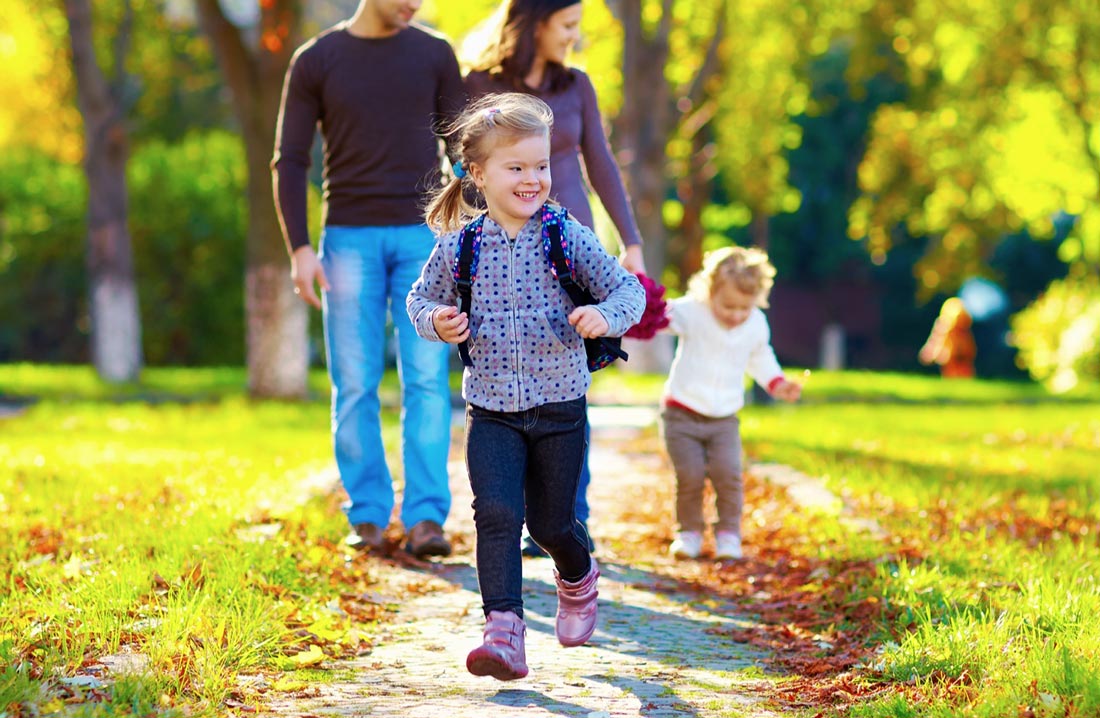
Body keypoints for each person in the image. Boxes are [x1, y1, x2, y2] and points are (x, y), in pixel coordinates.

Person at [407, 93, 644, 680]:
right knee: (495, 513)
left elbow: (628, 291)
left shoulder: (566, 237)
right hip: (491, 410)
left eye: (540, 166)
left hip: (560, 406)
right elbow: (419, 299)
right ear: (478, 175)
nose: (534, 178)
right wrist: (437, 322)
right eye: (517, 168)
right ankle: (504, 631)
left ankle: (577, 574)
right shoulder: (458, 247)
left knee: (550, 524)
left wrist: (605, 317)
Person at [271, 0, 465, 559]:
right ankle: (369, 515)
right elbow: (289, 160)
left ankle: (427, 517)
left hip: (423, 239)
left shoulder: (434, 54)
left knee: (426, 380)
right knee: (354, 382)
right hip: (347, 239)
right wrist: (300, 249)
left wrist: (462, 232)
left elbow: (461, 153)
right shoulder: (318, 60)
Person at [463, 0, 647, 557]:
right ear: (535, 22)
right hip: (504, 252)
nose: (575, 36)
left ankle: (568, 520)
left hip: (571, 254)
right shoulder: (480, 84)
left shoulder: (577, 85)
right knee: (511, 380)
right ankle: (523, 515)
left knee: (566, 381)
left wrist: (631, 242)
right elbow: (466, 166)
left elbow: (602, 163)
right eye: (567, 25)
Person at [660, 247, 802, 561]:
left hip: (724, 418)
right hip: (681, 413)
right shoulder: (692, 311)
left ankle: (728, 534)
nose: (736, 315)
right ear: (710, 292)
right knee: (691, 475)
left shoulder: (755, 324)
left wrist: (778, 383)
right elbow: (659, 317)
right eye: (728, 305)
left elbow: (761, 358)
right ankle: (689, 532)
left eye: (744, 308)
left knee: (729, 474)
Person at [919, 297, 976, 378]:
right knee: (950, 366)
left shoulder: (964, 330)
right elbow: (936, 340)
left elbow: (970, 345)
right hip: (949, 354)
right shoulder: (945, 327)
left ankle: (963, 379)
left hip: (962, 354)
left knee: (964, 368)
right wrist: (931, 353)